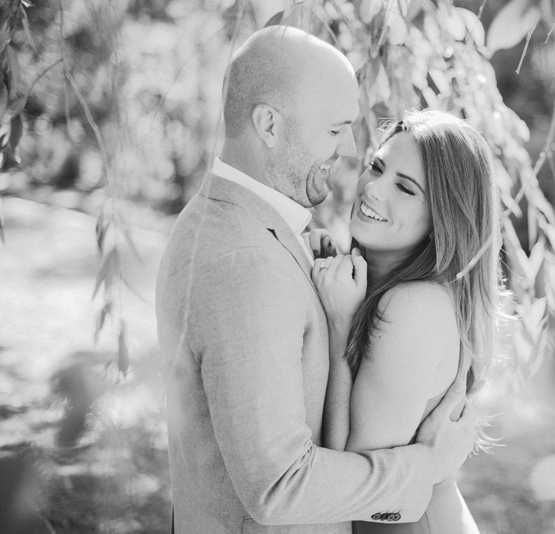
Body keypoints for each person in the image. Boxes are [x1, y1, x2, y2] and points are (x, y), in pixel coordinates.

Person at [155, 27, 478, 534]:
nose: (350, 150)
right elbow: (280, 487)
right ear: (269, 125)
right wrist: (428, 467)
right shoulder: (246, 261)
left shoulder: (226, 226)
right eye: (334, 129)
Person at [312, 110, 500, 533]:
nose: (373, 189)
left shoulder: (411, 306)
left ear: (442, 220)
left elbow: (357, 481)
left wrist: (340, 326)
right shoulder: (382, 286)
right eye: (377, 167)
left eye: (405, 188)